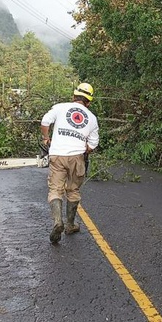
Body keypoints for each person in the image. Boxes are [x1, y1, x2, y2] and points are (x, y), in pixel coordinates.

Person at [40, 82, 99, 244]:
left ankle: (57, 221)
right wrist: (83, 147)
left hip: (57, 154)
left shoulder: (60, 107)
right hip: (77, 157)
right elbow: (92, 145)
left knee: (55, 190)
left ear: (73, 96)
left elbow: (45, 122)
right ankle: (70, 224)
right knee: (73, 190)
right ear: (89, 102)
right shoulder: (92, 118)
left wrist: (46, 138)